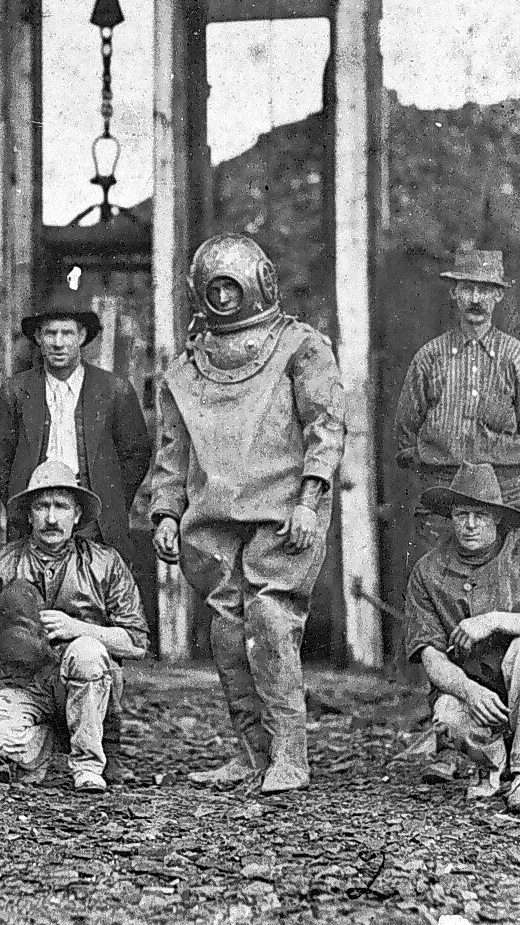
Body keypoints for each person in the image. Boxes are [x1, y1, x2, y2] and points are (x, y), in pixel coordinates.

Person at [145, 233, 345, 794]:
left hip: (284, 513)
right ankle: (253, 753)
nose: (224, 296)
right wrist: (166, 513)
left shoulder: (299, 347)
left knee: (272, 624)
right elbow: (172, 451)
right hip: (213, 520)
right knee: (229, 634)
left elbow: (326, 426)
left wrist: (310, 498)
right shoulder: (187, 370)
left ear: (258, 282)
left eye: (232, 286)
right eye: (215, 287)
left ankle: (290, 756)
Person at [0, 284, 152, 780]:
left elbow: (135, 453)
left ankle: (106, 744)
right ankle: (40, 721)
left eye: (67, 333)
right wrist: (30, 501)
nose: (58, 342)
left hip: (94, 519)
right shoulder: (16, 391)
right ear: (37, 339)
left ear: (84, 337)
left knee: (97, 629)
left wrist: (106, 501)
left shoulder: (113, 390)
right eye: (49, 333)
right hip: (39, 517)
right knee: (31, 620)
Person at [0, 460, 150, 792]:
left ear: (77, 514)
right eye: (42, 506)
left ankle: (88, 766)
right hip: (18, 683)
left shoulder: (105, 563)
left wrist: (78, 629)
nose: (51, 518)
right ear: (29, 515)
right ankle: (50, 748)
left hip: (82, 684)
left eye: (61, 507)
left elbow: (136, 642)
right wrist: (8, 638)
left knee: (87, 652)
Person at [404, 464, 520, 814]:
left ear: (497, 518)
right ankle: (494, 763)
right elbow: (430, 655)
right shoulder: (427, 571)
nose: (470, 525)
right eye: (461, 515)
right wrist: (470, 692)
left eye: (480, 515)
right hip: (480, 691)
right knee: (447, 712)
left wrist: (494, 620)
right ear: (450, 517)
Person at [393, 247, 520, 557]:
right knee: (437, 576)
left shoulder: (518, 359)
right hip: (443, 494)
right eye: (467, 288)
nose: (476, 299)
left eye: (485, 289)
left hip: (504, 495)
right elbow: (405, 432)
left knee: (505, 576)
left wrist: (507, 472)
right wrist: (436, 471)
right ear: (454, 292)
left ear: (499, 295)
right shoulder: (429, 358)